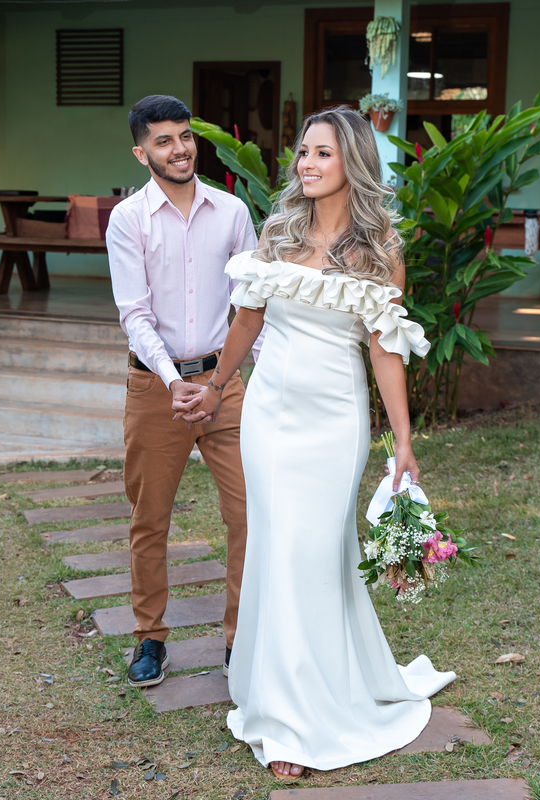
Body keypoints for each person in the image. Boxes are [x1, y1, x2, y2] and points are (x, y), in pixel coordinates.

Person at [173, 106, 455, 778]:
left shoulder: (380, 250)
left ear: (350, 161)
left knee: (314, 554)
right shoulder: (278, 233)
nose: (306, 164)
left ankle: (312, 712)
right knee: (276, 549)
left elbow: (386, 351)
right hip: (269, 413)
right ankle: (280, 708)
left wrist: (404, 444)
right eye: (302, 152)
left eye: (322, 154)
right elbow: (246, 322)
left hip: (335, 419)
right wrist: (215, 387)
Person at [106, 95, 258, 688]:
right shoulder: (128, 219)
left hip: (227, 384)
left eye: (186, 136)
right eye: (164, 141)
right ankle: (150, 637)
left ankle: (240, 639)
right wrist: (175, 382)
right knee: (151, 518)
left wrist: (231, 381)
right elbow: (133, 313)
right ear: (142, 152)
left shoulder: (232, 212)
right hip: (155, 388)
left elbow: (250, 306)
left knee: (249, 513)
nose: (180, 149)